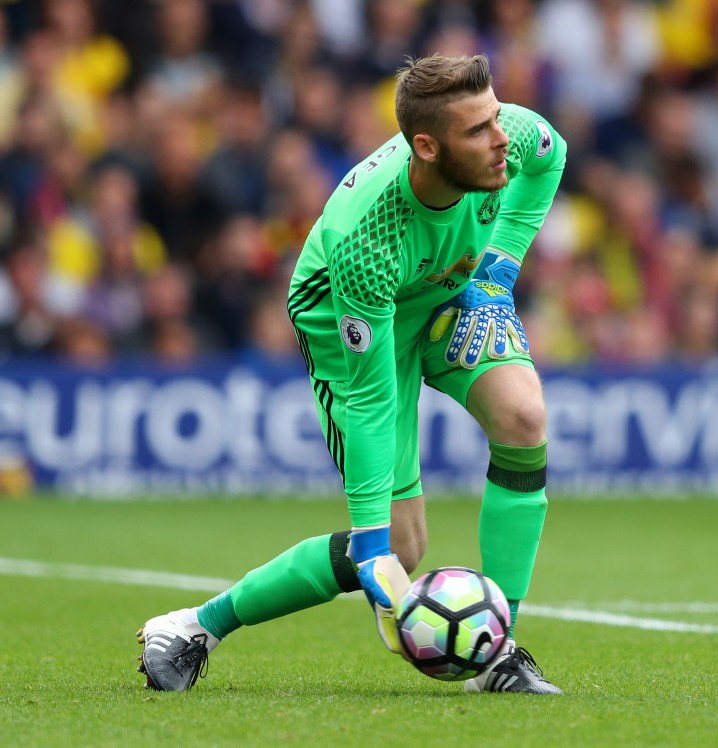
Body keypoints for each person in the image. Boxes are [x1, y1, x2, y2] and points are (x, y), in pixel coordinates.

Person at [135, 54, 567, 695]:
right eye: (478, 130)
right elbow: (367, 400)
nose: (500, 138)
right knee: (400, 548)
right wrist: (370, 543)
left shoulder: (510, 136)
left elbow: (550, 158)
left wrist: (498, 270)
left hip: (451, 292)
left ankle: (498, 654)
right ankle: (195, 626)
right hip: (351, 316)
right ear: (426, 145)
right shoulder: (368, 236)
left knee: (524, 416)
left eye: (496, 117)